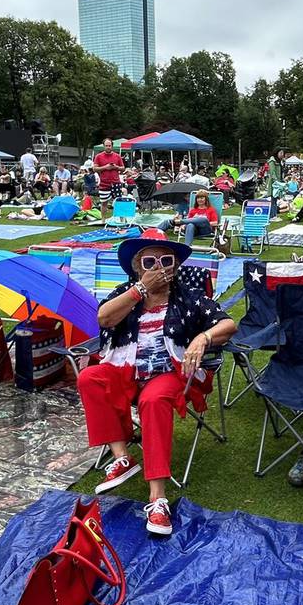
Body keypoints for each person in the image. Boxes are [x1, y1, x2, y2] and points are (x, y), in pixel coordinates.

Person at [77, 231, 236, 535]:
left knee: (153, 400)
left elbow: (228, 323)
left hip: (169, 373)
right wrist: (139, 291)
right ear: (138, 267)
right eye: (150, 261)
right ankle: (122, 457)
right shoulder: (126, 293)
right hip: (126, 372)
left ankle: (158, 499)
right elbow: (104, 318)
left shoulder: (187, 296)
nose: (159, 267)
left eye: (167, 260)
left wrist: (203, 337)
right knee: (90, 377)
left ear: (175, 266)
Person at [92, 139, 124, 212]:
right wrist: (105, 167)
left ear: (112, 146)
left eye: (109, 146)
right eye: (106, 146)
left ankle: (121, 220)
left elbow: (123, 168)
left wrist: (116, 167)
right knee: (103, 203)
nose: (108, 147)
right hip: (104, 183)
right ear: (104, 146)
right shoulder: (98, 156)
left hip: (116, 183)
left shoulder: (117, 156)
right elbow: (94, 169)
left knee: (119, 202)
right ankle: (103, 221)